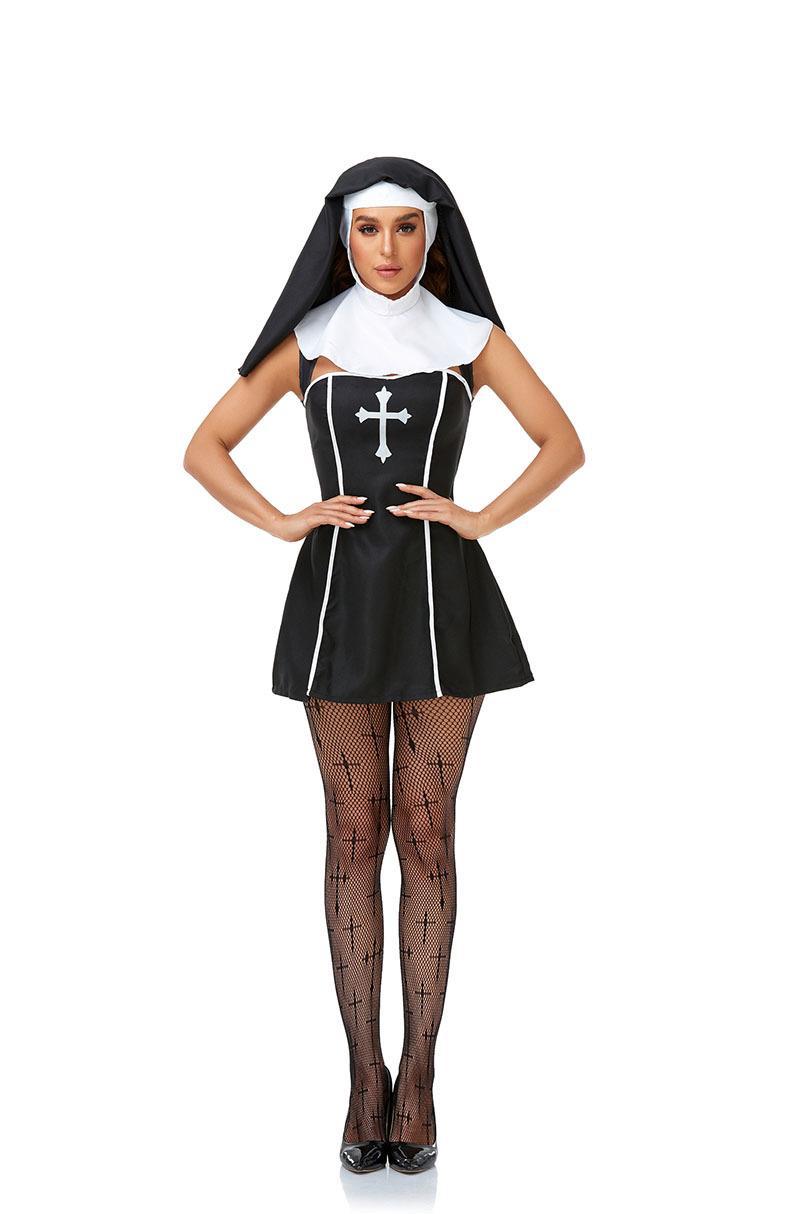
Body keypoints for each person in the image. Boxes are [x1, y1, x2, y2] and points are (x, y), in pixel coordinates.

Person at [183, 156, 585, 1174]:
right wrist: (282, 519)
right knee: (353, 833)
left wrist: (479, 517)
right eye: (369, 228)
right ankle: (365, 1076)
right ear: (343, 237)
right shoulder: (311, 338)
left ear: (432, 235)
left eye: (406, 227)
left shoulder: (471, 338)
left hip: (446, 603)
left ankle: (422, 1078)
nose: (389, 247)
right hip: (337, 605)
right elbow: (206, 446)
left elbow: (561, 442)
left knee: (428, 832)